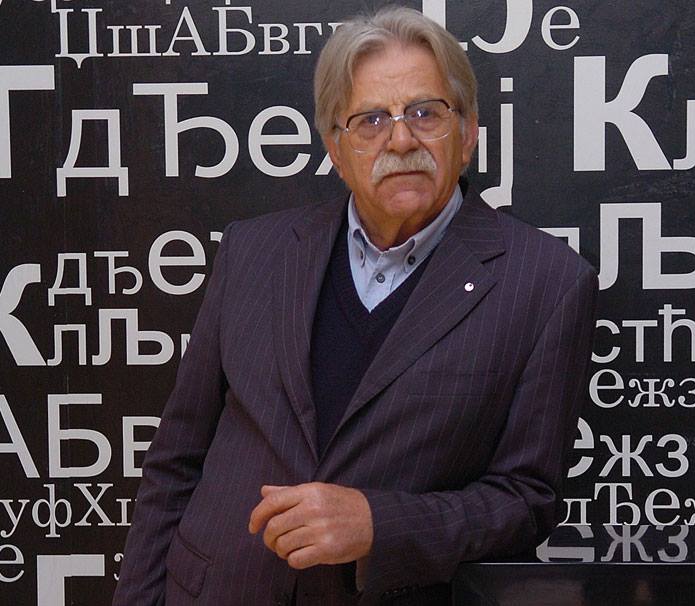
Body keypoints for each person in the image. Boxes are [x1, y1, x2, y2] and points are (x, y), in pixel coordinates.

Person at [113, 6, 598, 605]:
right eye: (370, 120)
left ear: (468, 133)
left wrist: (378, 525)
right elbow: (175, 461)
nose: (401, 139)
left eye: (425, 113)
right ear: (336, 149)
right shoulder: (253, 252)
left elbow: (526, 502)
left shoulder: (548, 283)